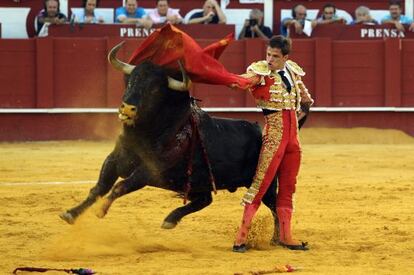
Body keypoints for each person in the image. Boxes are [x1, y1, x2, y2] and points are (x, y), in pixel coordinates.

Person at [231, 35, 313, 253]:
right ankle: (240, 238)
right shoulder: (259, 73)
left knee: (288, 188)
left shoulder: (293, 71)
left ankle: (286, 236)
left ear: (285, 57)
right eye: (268, 54)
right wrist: (226, 78)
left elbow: (306, 101)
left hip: (293, 142)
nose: (269, 60)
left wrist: (301, 116)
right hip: (274, 138)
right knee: (260, 185)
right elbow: (242, 82)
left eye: (275, 56)